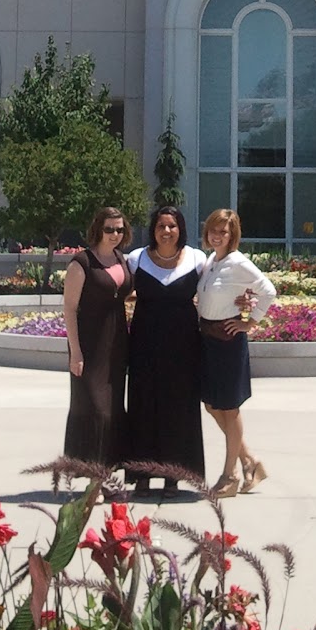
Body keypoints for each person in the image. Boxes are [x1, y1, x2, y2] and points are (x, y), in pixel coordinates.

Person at [124, 205, 207, 497]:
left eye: (172, 225)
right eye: (161, 226)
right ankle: (142, 475)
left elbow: (214, 292)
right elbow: (116, 292)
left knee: (179, 409)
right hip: (144, 346)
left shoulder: (197, 259)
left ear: (180, 228)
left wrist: (244, 309)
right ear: (153, 229)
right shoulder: (136, 259)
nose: (167, 231)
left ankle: (174, 477)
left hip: (184, 348)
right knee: (143, 408)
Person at [197, 207, 276, 497]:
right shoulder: (211, 261)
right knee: (212, 406)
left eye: (223, 231)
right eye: (213, 230)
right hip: (208, 340)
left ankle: (229, 476)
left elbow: (268, 290)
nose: (217, 236)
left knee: (229, 409)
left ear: (233, 235)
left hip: (228, 342)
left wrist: (250, 322)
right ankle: (250, 462)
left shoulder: (238, 263)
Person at [62, 206, 134, 493]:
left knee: (113, 411)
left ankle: (106, 477)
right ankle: (94, 479)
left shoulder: (121, 259)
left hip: (117, 345)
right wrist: (76, 352)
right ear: (98, 229)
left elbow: (121, 294)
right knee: (95, 411)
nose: (115, 234)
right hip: (90, 347)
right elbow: (69, 308)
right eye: (109, 229)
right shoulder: (82, 263)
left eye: (119, 229)